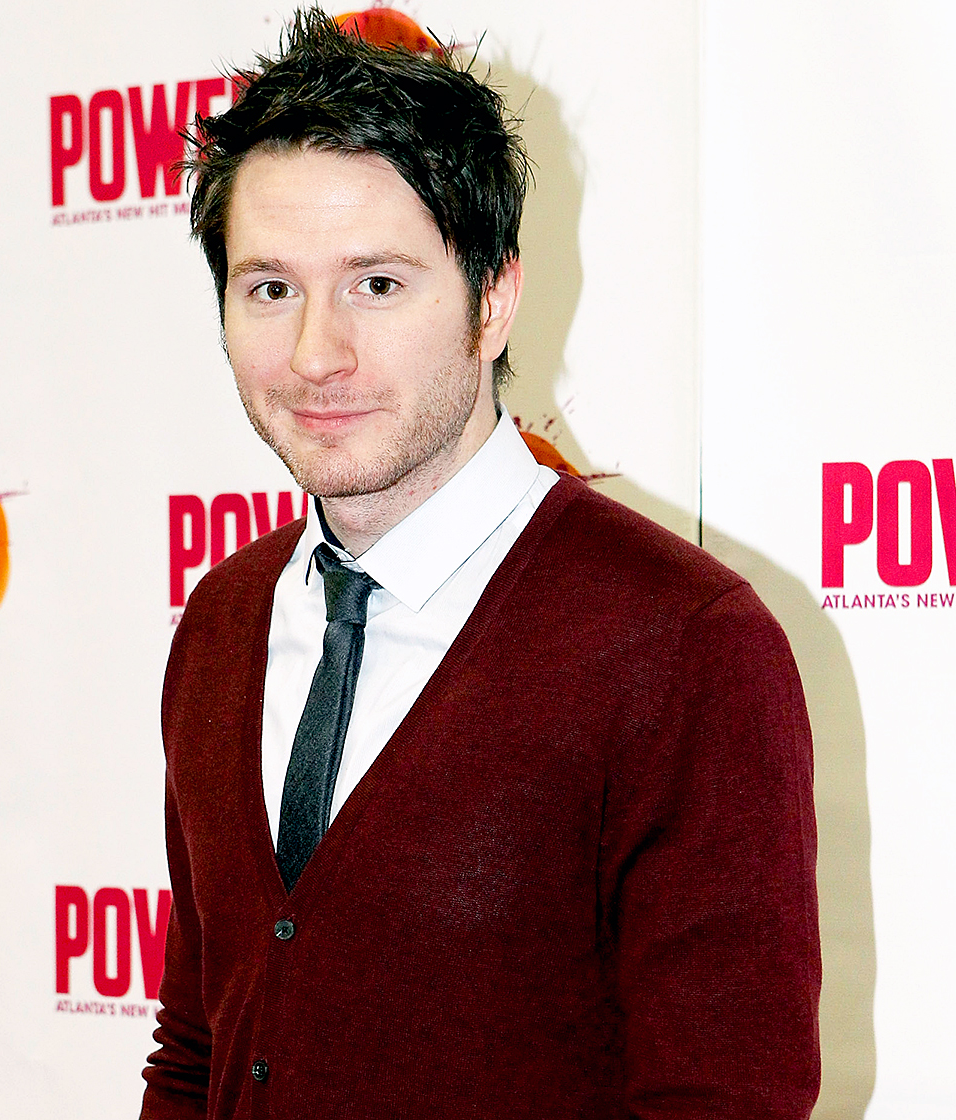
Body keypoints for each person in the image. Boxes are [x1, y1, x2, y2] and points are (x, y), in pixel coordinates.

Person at [140, 9, 821, 1118]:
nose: (316, 353)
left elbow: (724, 1097)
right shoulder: (223, 621)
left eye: (377, 284)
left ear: (493, 300)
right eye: (270, 288)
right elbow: (195, 1051)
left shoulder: (683, 643)